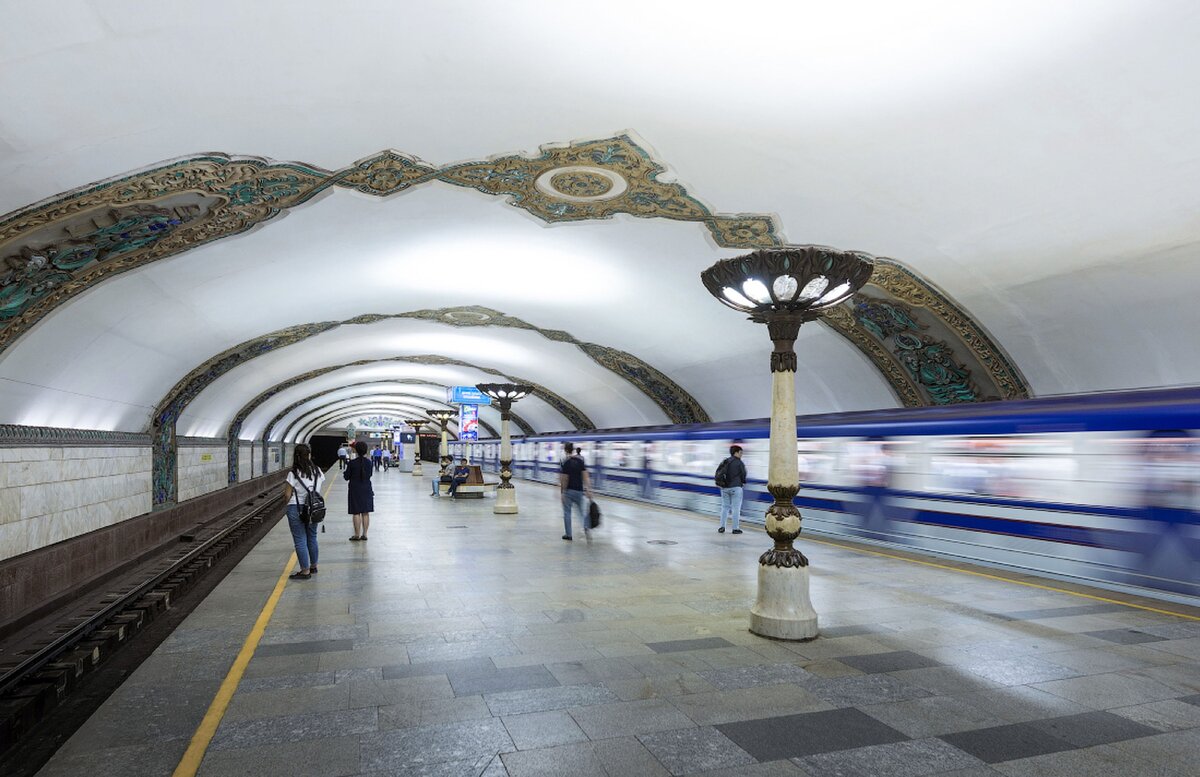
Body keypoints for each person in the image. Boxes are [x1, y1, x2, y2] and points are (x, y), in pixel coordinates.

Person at [284, 443, 325, 579]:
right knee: (312, 537)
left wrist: (288, 504)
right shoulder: (318, 471)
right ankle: (313, 566)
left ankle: (305, 571)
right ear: (309, 455)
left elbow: (287, 494)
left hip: (296, 507)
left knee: (300, 539)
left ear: (296, 456)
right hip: (314, 508)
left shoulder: (293, 473)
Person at [560, 442, 593, 541]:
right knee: (581, 512)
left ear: (566, 450)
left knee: (567, 512)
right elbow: (586, 476)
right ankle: (586, 526)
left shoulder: (566, 462)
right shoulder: (580, 462)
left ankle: (569, 535)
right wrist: (588, 489)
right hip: (579, 490)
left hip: (569, 491)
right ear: (573, 450)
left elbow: (564, 479)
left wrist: (562, 492)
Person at [345, 440, 374, 541]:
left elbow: (346, 476)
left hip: (355, 489)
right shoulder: (369, 463)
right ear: (366, 451)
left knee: (356, 512)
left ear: (356, 451)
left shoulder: (352, 463)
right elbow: (370, 475)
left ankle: (357, 534)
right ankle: (365, 534)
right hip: (366, 488)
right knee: (365, 512)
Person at [717, 445, 747, 534]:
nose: (741, 455)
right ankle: (735, 528)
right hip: (736, 487)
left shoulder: (725, 461)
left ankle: (722, 527)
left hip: (724, 488)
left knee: (725, 507)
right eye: (740, 453)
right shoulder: (739, 462)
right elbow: (743, 475)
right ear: (736, 452)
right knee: (736, 508)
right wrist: (742, 482)